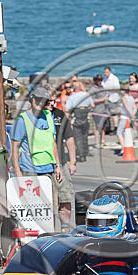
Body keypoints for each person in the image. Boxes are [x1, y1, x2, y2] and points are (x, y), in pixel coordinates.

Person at [10, 84, 63, 187]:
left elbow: (53, 143)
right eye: (37, 99)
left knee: (52, 202)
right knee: (32, 202)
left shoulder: (48, 115)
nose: (40, 102)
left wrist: (58, 165)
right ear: (31, 99)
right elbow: (15, 147)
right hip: (29, 170)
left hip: (49, 169)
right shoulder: (22, 120)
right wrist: (17, 172)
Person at [47, 90, 77, 231]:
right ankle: (49, 231)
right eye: (49, 101)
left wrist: (72, 162)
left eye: (54, 100)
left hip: (62, 163)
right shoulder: (35, 116)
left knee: (65, 198)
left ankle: (65, 229)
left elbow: (69, 138)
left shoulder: (59, 115)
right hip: (43, 165)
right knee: (47, 202)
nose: (52, 104)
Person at [65, 81, 93, 162]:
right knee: (85, 135)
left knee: (78, 137)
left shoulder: (72, 97)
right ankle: (85, 152)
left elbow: (67, 109)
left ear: (73, 88)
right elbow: (92, 105)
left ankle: (81, 155)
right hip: (85, 116)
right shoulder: (86, 95)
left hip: (77, 116)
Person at [89, 74, 110, 149]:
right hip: (97, 111)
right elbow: (91, 100)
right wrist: (103, 99)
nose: (100, 81)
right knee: (98, 127)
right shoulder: (92, 90)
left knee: (104, 127)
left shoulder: (102, 87)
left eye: (101, 79)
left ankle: (102, 141)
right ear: (95, 80)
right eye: (98, 80)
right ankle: (97, 143)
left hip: (105, 110)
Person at [116, 87, 138, 151]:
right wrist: (133, 115)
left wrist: (131, 115)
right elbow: (135, 108)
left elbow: (126, 108)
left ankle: (124, 148)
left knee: (119, 133)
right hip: (130, 119)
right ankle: (129, 147)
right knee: (130, 132)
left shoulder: (124, 98)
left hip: (124, 118)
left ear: (124, 91)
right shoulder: (131, 98)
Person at [127, 72, 138, 144]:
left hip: (137, 106)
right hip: (129, 107)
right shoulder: (128, 86)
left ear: (135, 79)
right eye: (130, 78)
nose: (130, 79)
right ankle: (132, 139)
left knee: (136, 124)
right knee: (131, 123)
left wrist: (133, 101)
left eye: (132, 78)